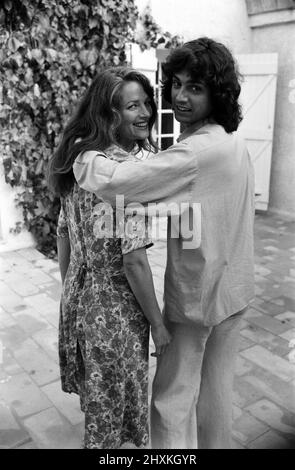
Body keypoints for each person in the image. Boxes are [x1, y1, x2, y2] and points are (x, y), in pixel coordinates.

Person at [73, 37, 255, 449]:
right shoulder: (232, 139)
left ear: (217, 92)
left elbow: (119, 183)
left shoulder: (193, 154)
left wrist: (82, 155)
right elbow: (190, 207)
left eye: (196, 87)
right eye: (177, 83)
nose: (180, 97)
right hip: (237, 291)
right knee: (215, 397)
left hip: (199, 301)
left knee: (171, 402)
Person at [47, 67, 171, 449]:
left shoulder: (81, 160)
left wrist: (76, 293)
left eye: (146, 102)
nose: (146, 112)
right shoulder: (124, 175)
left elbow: (64, 237)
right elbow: (134, 263)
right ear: (109, 114)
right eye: (132, 106)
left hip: (81, 304)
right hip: (116, 314)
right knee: (110, 425)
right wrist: (160, 326)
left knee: (99, 405)